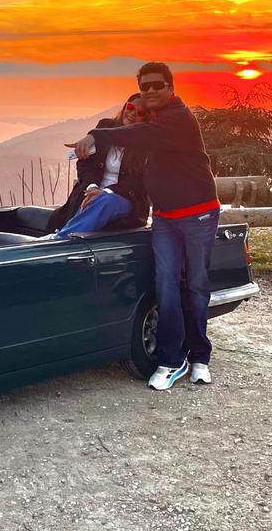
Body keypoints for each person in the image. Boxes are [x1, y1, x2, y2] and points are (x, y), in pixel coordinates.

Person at [67, 62, 220, 390]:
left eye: (157, 85)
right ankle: (171, 359)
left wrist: (95, 135)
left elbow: (142, 135)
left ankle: (200, 356)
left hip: (199, 215)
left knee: (194, 287)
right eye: (145, 86)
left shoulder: (178, 119)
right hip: (165, 217)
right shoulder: (149, 119)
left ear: (171, 88)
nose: (151, 91)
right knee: (165, 286)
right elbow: (131, 135)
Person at [46, 94, 150, 238]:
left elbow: (139, 181)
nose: (132, 114)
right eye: (130, 107)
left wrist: (107, 191)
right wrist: (92, 187)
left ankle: (60, 239)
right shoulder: (105, 128)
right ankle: (66, 235)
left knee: (106, 201)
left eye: (140, 113)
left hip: (124, 199)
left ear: (146, 118)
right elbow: (85, 163)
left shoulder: (146, 145)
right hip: (93, 193)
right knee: (91, 199)